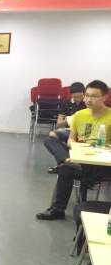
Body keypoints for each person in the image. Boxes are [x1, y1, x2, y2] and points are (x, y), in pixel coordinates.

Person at [36, 80, 111, 220]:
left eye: (94, 96)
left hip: (103, 165)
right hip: (82, 159)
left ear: (104, 97)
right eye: (87, 95)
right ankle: (58, 210)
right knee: (59, 156)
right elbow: (71, 139)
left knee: (65, 167)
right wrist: (76, 148)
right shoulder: (79, 115)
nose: (88, 99)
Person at [44, 82, 86, 173]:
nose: (78, 99)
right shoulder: (66, 104)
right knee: (52, 134)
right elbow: (59, 124)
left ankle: (62, 162)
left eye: (80, 96)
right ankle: (66, 161)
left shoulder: (88, 103)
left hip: (85, 129)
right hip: (70, 129)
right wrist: (69, 119)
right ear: (71, 95)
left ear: (84, 93)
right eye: (75, 97)